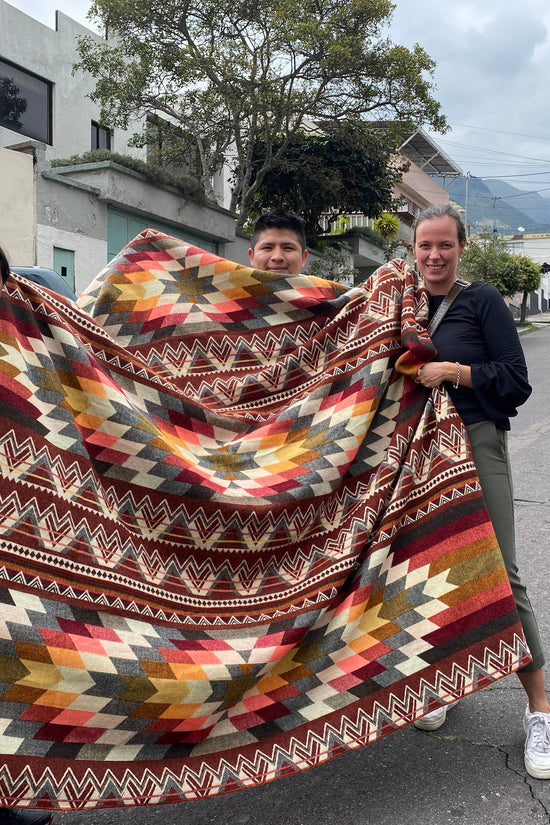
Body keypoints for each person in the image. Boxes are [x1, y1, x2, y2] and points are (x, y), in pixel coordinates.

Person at [410, 203, 550, 780]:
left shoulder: (483, 300)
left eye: (445, 245)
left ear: (462, 246)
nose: (435, 256)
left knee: (499, 570)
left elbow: (516, 380)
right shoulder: (398, 303)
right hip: (416, 455)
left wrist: (455, 372)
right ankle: (445, 685)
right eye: (425, 246)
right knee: (431, 571)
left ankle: (540, 707)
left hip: (474, 440)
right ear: (413, 250)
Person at [248, 209, 308, 275]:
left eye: (288, 248)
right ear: (251, 256)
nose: (277, 257)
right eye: (267, 248)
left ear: (303, 258)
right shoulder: (236, 284)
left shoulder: (319, 285)